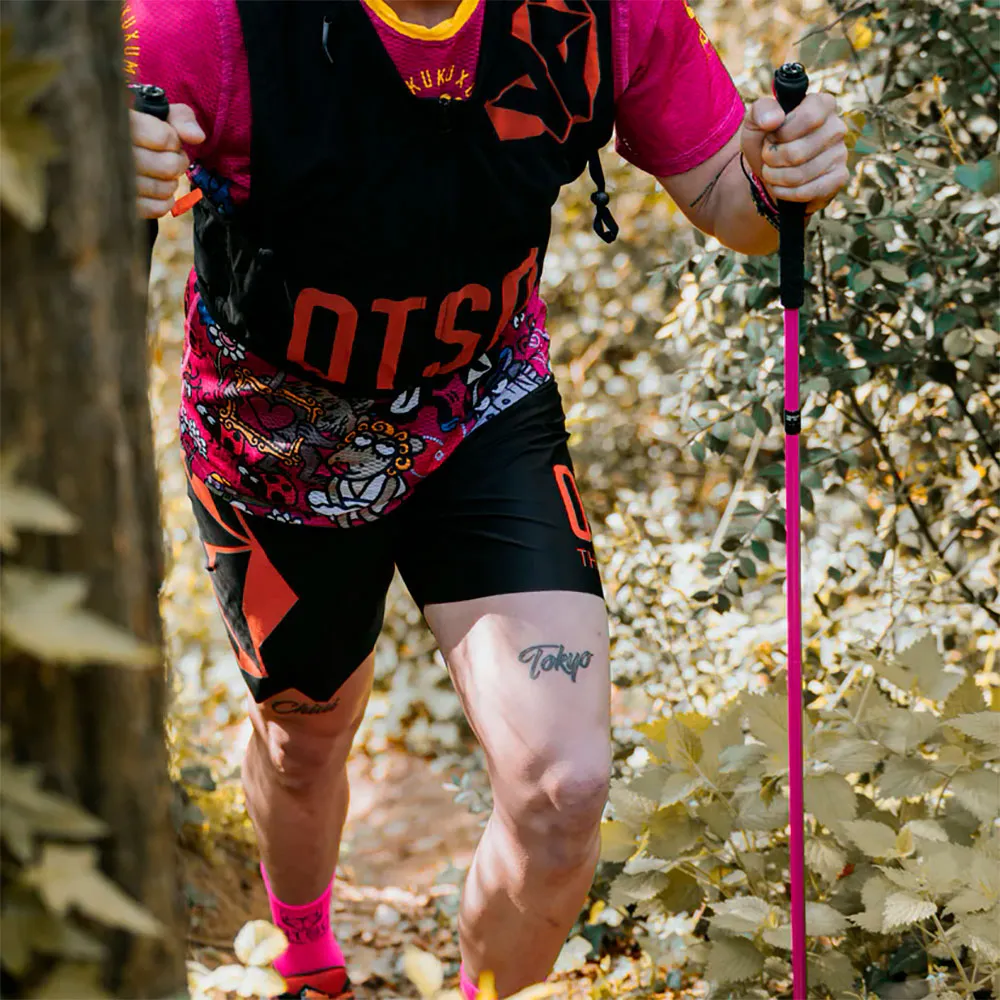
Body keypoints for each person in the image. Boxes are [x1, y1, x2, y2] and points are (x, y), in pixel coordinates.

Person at [125, 1, 848, 996]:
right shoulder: (201, 23)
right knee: (304, 741)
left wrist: (783, 173)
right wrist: (100, 171)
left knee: (565, 787)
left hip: (480, 407)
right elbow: (67, 192)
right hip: (276, 433)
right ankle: (302, 947)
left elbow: (737, 201)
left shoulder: (602, 14)